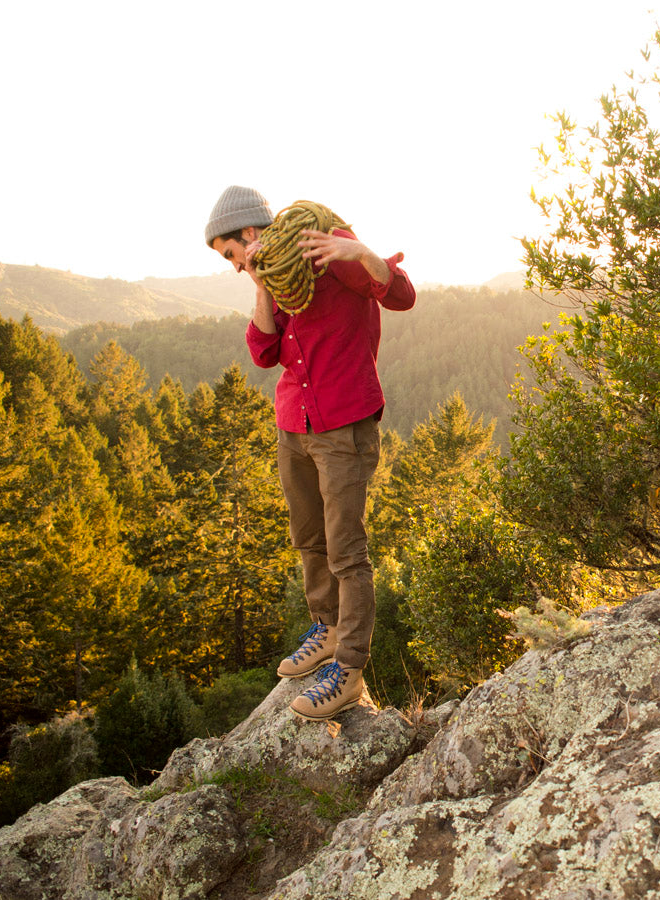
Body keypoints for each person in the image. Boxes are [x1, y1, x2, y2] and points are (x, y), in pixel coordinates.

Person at [204, 185, 416, 721]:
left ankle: (347, 669)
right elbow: (265, 351)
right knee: (309, 539)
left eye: (232, 254)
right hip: (294, 422)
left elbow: (401, 295)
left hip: (343, 422)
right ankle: (325, 629)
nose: (234, 265)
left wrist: (358, 251)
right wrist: (259, 284)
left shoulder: (327, 244)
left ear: (248, 233)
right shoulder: (276, 271)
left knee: (346, 551)